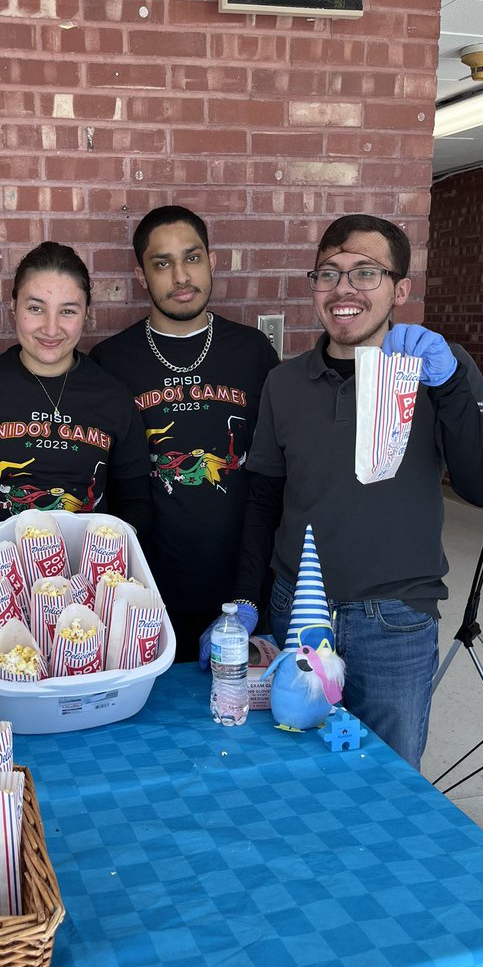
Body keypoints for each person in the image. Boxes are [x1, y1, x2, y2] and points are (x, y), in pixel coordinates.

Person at [215, 213, 483, 769]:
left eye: (365, 273)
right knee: (292, 767)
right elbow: (263, 501)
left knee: (388, 782)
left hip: (393, 619)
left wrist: (445, 386)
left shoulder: (441, 370)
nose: (344, 288)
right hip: (297, 611)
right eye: (329, 273)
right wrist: (248, 598)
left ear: (400, 288)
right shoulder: (284, 382)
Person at [90, 205, 279, 657]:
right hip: (143, 588)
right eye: (162, 263)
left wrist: (253, 590)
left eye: (192, 258)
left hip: (244, 582)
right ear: (141, 275)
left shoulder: (252, 351)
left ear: (212, 261)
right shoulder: (111, 362)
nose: (180, 276)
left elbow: (273, 475)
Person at [0, 241, 152, 565]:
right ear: (13, 307)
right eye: (36, 308)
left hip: (83, 580)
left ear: (87, 314)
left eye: (68, 311)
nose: (51, 328)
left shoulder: (113, 397)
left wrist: (112, 553)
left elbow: (137, 502)